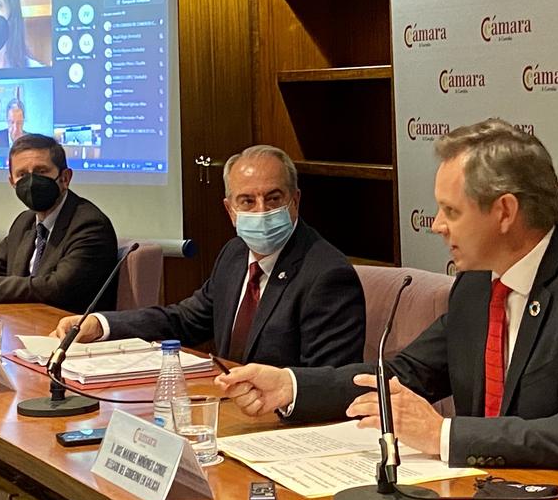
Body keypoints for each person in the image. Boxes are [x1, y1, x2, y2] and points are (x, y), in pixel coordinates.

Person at [217, 120, 558, 493]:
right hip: (498, 494)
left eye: (451, 211)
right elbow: (406, 371)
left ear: (504, 212)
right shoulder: (476, 285)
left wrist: (442, 435)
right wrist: (291, 386)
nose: (436, 225)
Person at [53, 145, 366, 368]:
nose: (261, 210)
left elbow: (327, 382)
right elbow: (185, 320)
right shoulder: (235, 253)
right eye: (247, 201)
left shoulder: (327, 275)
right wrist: (101, 324)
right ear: (230, 210)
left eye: (273, 199)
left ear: (295, 201)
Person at [0, 134, 118, 313]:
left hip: (68, 330)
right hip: (25, 322)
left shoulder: (90, 225)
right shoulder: (25, 222)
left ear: (65, 178)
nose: (31, 182)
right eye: (22, 174)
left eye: (41, 171)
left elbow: (56, 288)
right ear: (12, 183)